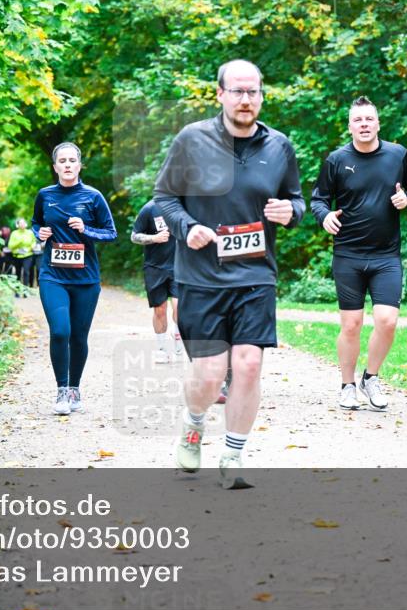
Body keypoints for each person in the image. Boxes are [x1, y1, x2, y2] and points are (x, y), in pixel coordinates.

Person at [154, 59, 305, 488]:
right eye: (237, 91)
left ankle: (233, 456)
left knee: (250, 364)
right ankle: (193, 424)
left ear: (261, 95)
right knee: (209, 373)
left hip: (256, 275)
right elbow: (165, 197)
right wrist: (188, 228)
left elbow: (295, 201)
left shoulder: (279, 146)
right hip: (201, 277)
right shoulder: (191, 140)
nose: (246, 99)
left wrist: (289, 212)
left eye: (253, 91)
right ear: (219, 94)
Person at [309, 96, 407, 411]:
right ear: (350, 126)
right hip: (348, 254)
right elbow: (318, 199)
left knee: (387, 321)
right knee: (351, 325)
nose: (363, 124)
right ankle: (347, 386)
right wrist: (324, 216)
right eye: (357, 120)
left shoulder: (397, 154)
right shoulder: (336, 159)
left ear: (377, 123)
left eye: (368, 119)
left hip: (386, 255)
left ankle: (370, 377)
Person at [32, 142, 117, 415]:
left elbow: (111, 233)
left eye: (72, 161)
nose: (67, 165)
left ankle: (75, 389)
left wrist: (86, 229)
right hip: (52, 276)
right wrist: (40, 233)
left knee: (79, 337)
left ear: (79, 165)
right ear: (55, 166)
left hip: (86, 279)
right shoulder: (45, 195)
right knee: (60, 331)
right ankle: (61, 391)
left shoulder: (93, 197)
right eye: (62, 161)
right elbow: (36, 222)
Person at [131, 199, 184, 363]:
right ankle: (161, 349)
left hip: (180, 266)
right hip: (155, 267)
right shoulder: (150, 208)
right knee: (160, 310)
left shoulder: (186, 206)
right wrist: (154, 238)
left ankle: (178, 338)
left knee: (179, 306)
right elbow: (134, 236)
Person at [8, 218, 35, 295]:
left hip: (28, 255)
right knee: (18, 273)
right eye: (20, 223)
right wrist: (19, 242)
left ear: (26, 224)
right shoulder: (14, 233)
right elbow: (10, 246)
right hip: (17, 256)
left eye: (23, 223)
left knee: (26, 272)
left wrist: (31, 247)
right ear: (17, 225)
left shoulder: (30, 233)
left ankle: (25, 291)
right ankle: (17, 291)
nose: (22, 225)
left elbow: (33, 242)